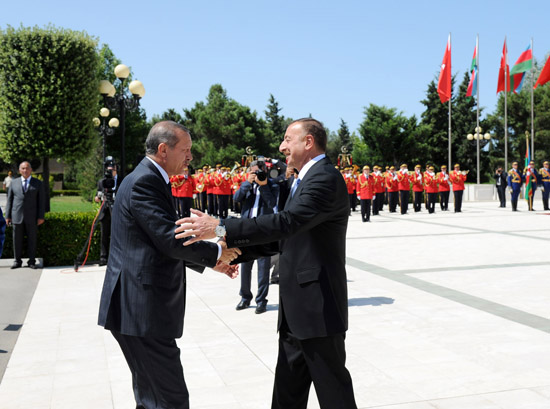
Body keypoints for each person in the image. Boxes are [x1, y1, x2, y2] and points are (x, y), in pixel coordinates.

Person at [175, 118, 358, 409]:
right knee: (287, 395)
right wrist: (226, 251)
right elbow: (284, 239)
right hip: (296, 310)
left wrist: (221, 227)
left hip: (319, 310)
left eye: (287, 139)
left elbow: (286, 223)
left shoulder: (324, 177)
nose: (282, 147)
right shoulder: (302, 180)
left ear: (308, 142)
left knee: (334, 396)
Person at [97, 121, 240, 409]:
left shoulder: (148, 177)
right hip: (141, 310)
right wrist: (217, 252)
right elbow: (169, 239)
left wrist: (211, 263)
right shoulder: (145, 181)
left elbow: (155, 242)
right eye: (185, 150)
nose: (190, 157)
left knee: (152, 398)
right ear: (163, 149)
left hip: (137, 309)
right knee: (171, 400)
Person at [233, 160, 279, 314]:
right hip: (247, 229)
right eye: (253, 171)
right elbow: (236, 198)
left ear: (264, 170)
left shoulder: (272, 185)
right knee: (245, 265)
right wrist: (247, 183)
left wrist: (263, 185)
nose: (256, 174)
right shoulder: (248, 184)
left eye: (258, 171)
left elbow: (271, 203)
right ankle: (245, 297)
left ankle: (261, 300)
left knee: (263, 267)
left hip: (263, 230)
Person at [5, 161, 45, 269]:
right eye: (23, 168)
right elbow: (9, 200)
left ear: (31, 170)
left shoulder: (38, 183)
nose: (25, 170)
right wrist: (7, 216)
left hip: (32, 217)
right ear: (19, 170)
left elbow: (41, 201)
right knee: (16, 240)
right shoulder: (14, 183)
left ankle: (31, 261)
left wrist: (41, 216)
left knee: (32, 240)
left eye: (27, 168)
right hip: (16, 216)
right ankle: (17, 261)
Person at [95, 163, 118, 266]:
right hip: (105, 211)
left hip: (116, 211)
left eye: (112, 170)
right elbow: (97, 195)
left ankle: (115, 257)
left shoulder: (121, 180)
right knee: (104, 236)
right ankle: (103, 258)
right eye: (108, 170)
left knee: (116, 236)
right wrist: (98, 197)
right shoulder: (102, 182)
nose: (110, 172)